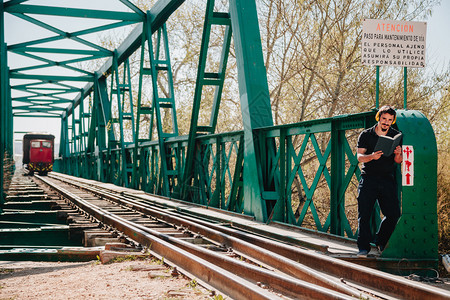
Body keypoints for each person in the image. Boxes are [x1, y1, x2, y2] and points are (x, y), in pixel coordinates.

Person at [356, 105, 403, 257]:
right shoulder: (366, 134)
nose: (386, 122)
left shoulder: (396, 135)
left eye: (390, 120)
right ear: (379, 118)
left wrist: (398, 154)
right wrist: (372, 157)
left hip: (387, 179)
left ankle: (380, 241)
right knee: (364, 214)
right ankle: (363, 248)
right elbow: (359, 157)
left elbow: (398, 161)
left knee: (394, 214)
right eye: (384, 119)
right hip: (368, 178)